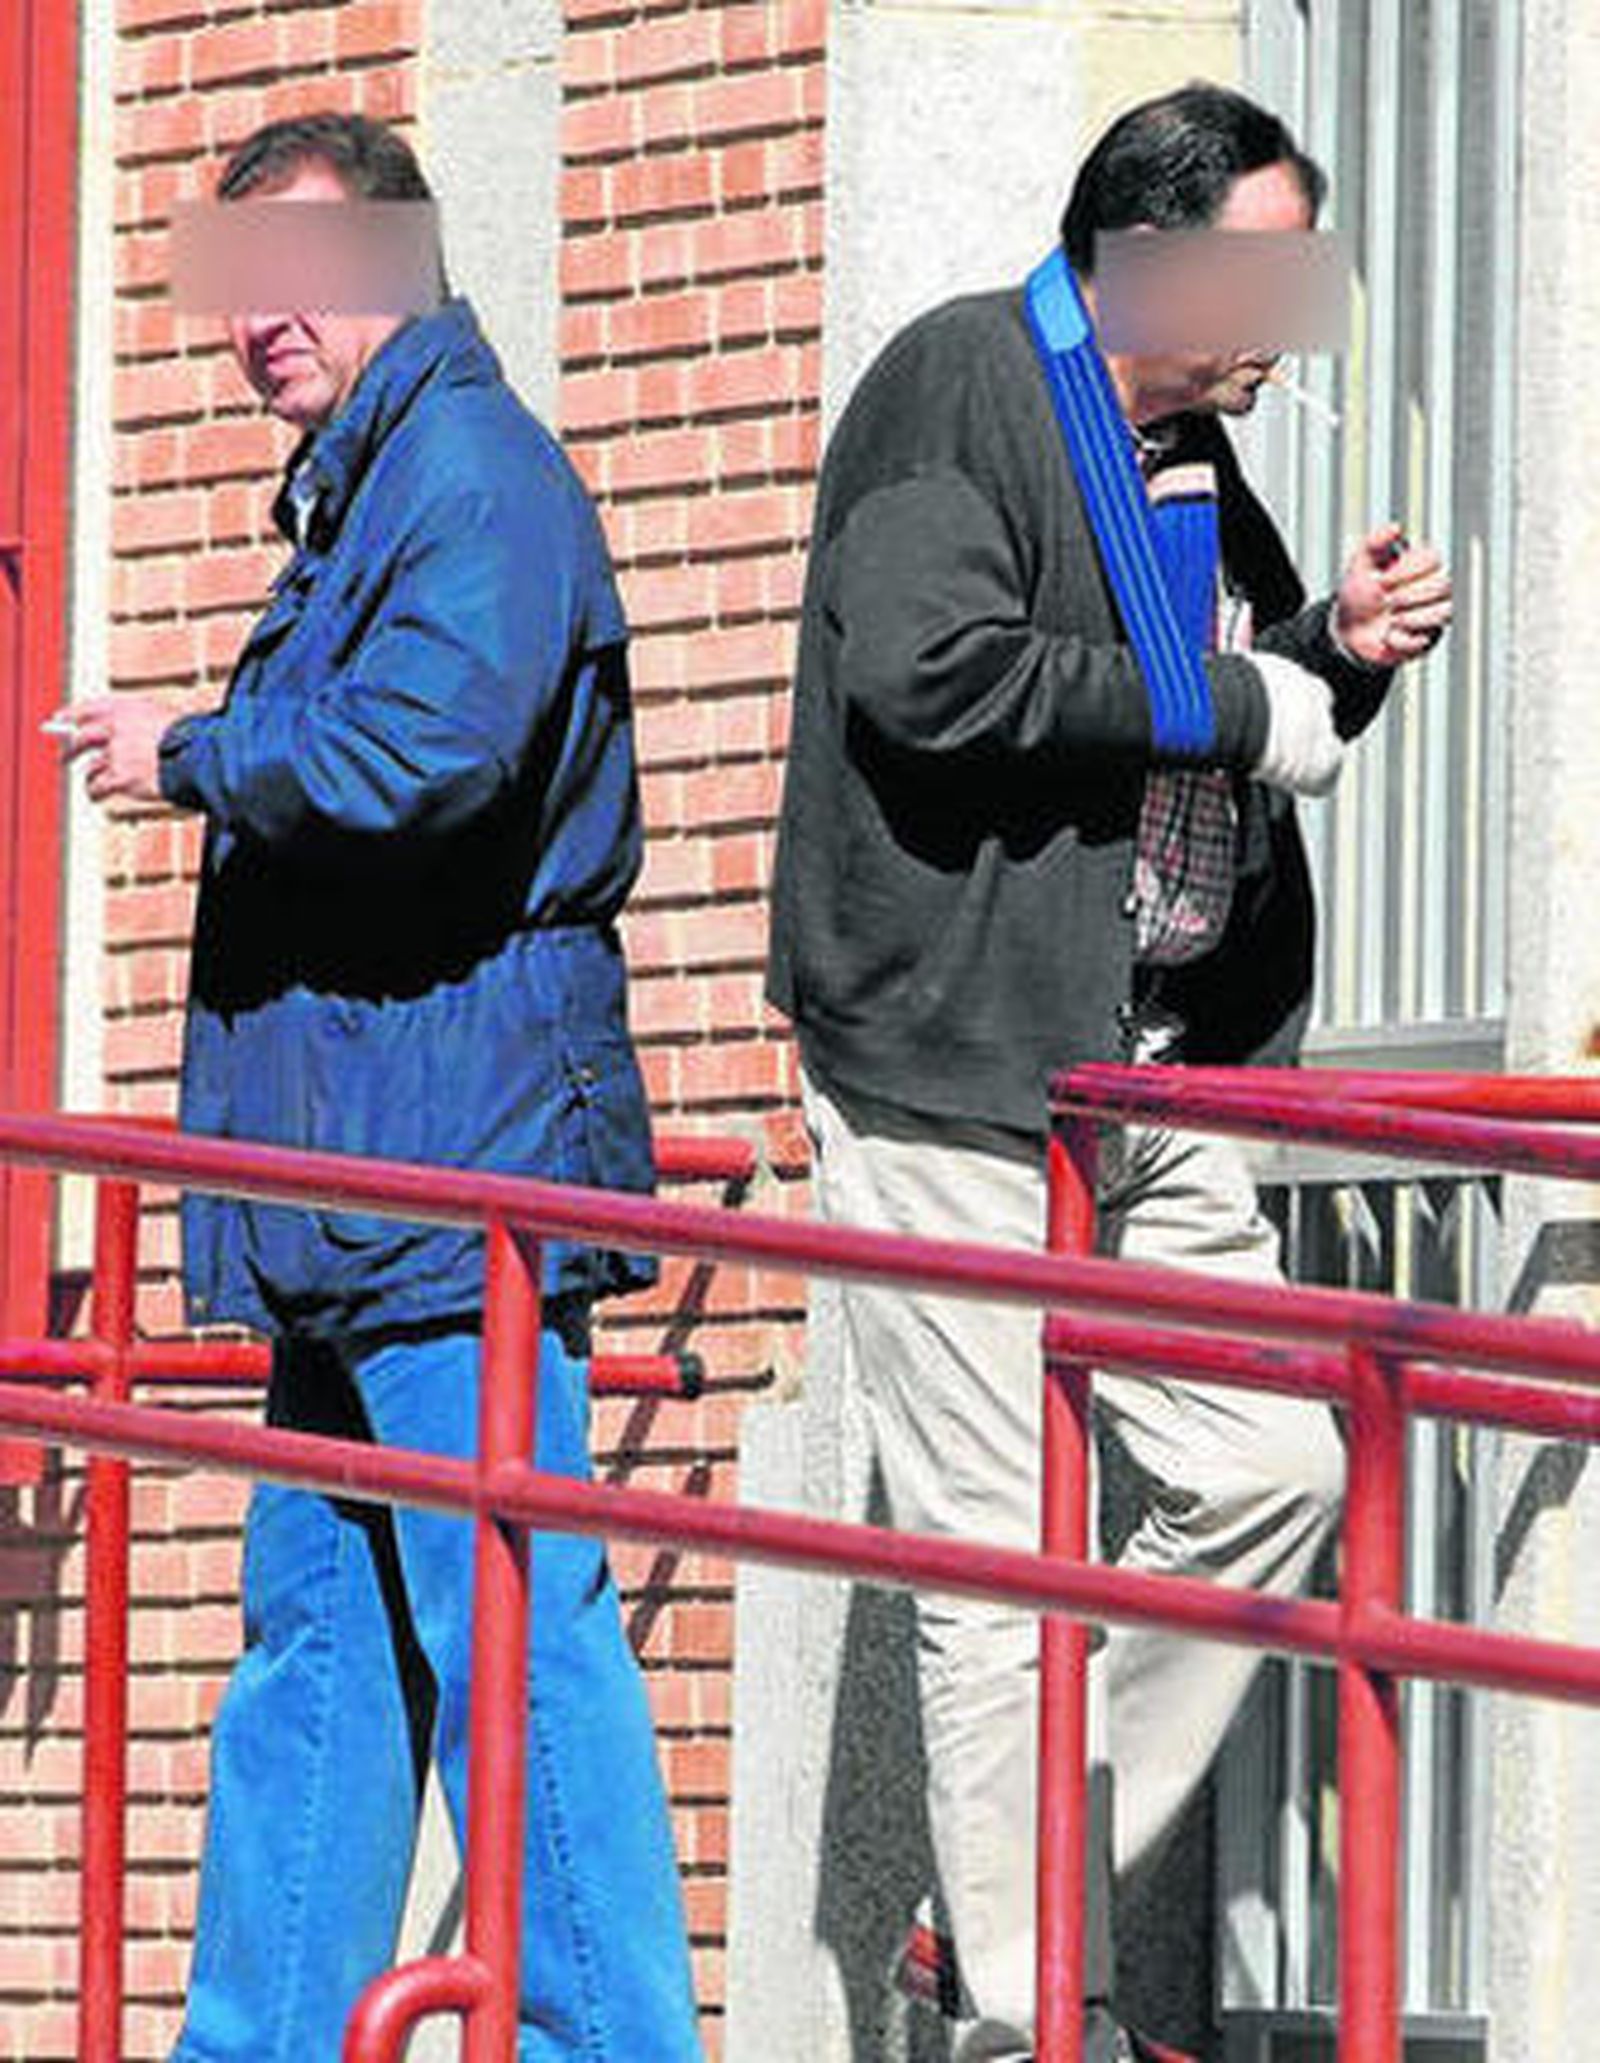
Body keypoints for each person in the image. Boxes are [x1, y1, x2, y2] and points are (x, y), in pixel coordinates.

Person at [767, 82, 1451, 2062]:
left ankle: (995, 1905)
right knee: (994, 1565)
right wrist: (1241, 699)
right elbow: (932, 673)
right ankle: (1021, 2011)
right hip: (955, 1070)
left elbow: (1223, 700)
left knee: (1271, 1469)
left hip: (1146, 1082)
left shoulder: (1188, 454)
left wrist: (1335, 647)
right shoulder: (962, 385)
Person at [61, 113, 702, 2062]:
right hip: (356, 1187)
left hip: (451, 1170)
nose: (259, 319)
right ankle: (256, 2039)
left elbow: (428, 752)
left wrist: (195, 752)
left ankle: (615, 2046)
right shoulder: (377, 486)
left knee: (510, 1631)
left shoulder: (472, 473)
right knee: (321, 1652)